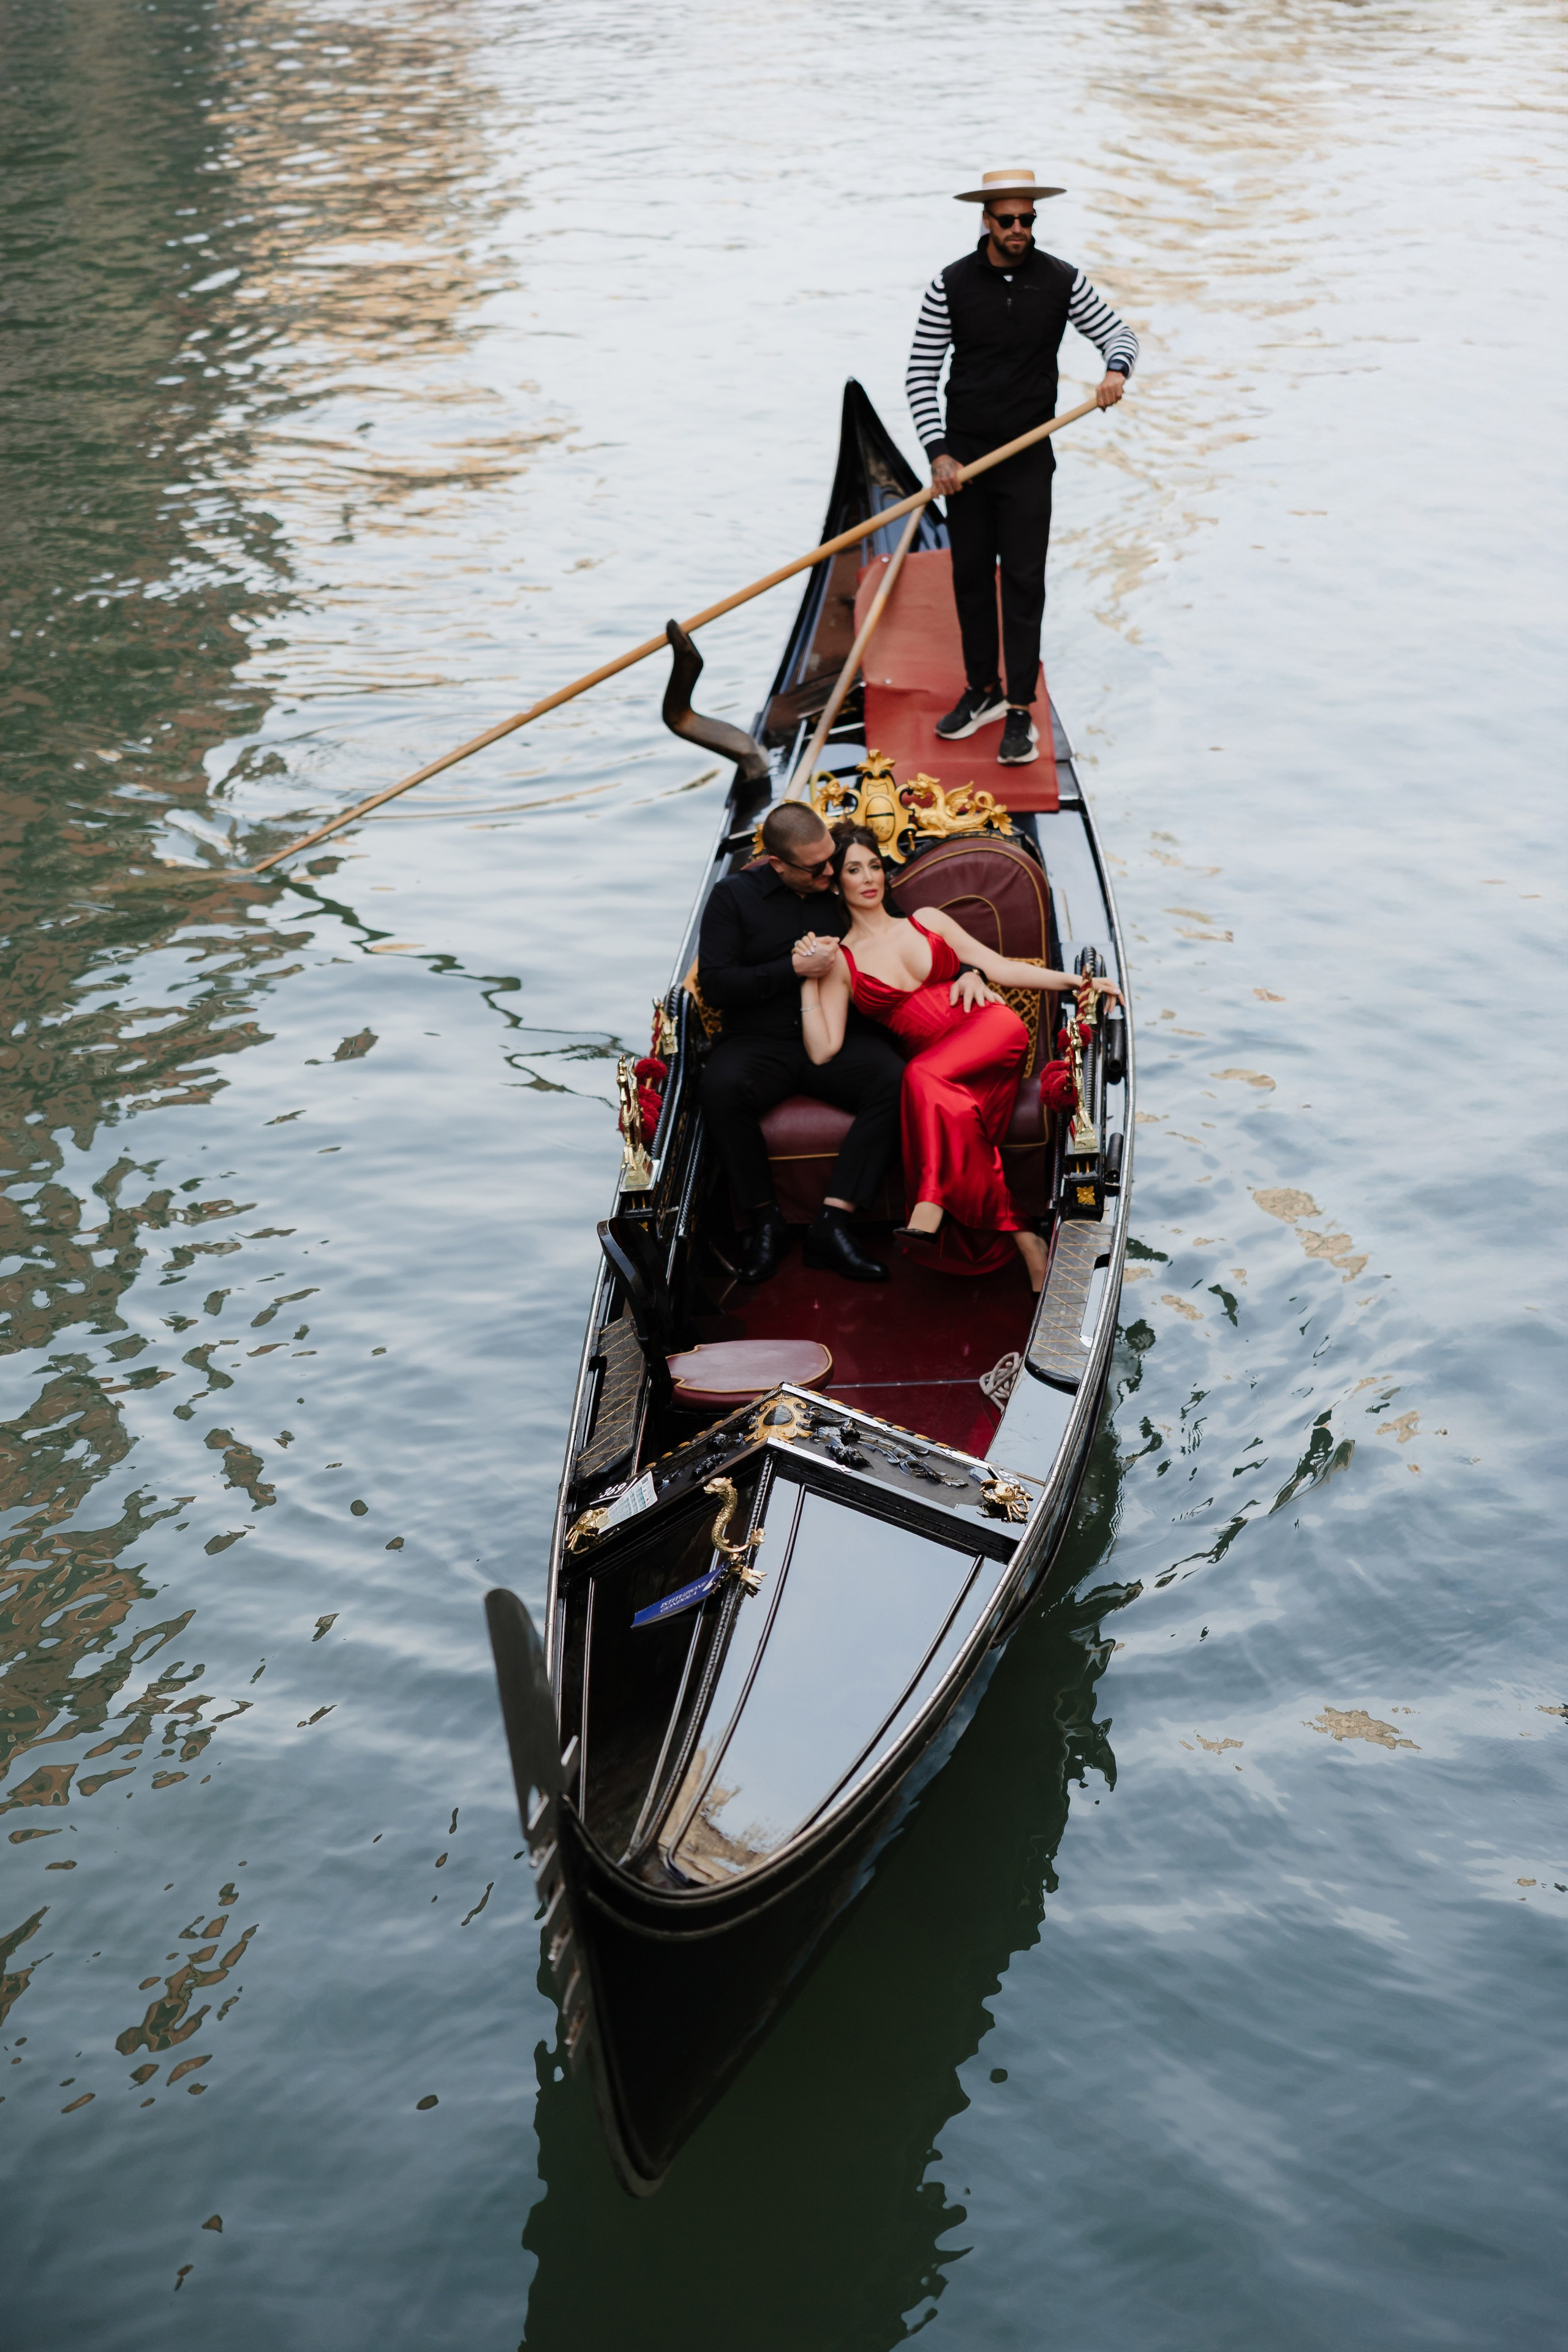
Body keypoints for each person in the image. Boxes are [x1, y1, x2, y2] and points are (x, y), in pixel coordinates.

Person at [799, 826, 1123, 1288]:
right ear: (837, 882)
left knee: (917, 1076)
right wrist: (809, 978)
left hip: (990, 1027)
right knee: (951, 1108)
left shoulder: (928, 920)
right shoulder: (840, 962)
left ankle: (931, 1202)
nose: (869, 878)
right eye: (854, 869)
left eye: (875, 866)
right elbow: (822, 1048)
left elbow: (1000, 968)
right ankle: (1024, 1238)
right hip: (944, 1072)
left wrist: (1078, 983)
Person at [905, 166, 1140, 766]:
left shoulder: (1060, 280)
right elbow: (919, 376)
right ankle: (980, 690)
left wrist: (1115, 370)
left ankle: (1017, 710)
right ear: (985, 222)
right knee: (970, 579)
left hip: (1029, 456)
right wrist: (938, 455)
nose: (1018, 229)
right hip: (965, 460)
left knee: (1023, 583)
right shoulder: (949, 286)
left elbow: (1120, 334)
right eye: (1007, 220)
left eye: (1027, 220)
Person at [698, 801, 902, 1286]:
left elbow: (899, 931)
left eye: (833, 859)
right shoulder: (733, 898)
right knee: (720, 1089)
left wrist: (969, 972)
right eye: (817, 868)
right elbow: (718, 986)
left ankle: (833, 1222)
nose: (831, 872)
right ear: (778, 864)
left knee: (894, 1080)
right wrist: (791, 971)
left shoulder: (841, 887)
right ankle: (764, 1221)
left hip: (834, 1037)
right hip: (758, 1042)